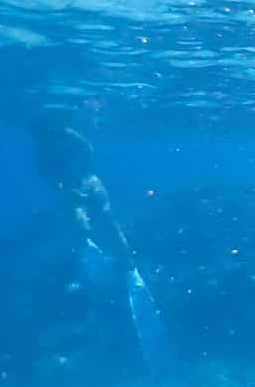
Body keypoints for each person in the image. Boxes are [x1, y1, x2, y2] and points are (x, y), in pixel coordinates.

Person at [29, 119, 174, 368]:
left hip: (88, 183)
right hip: (74, 188)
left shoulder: (64, 139)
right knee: (86, 223)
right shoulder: (45, 151)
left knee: (107, 223)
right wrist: (66, 187)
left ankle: (123, 261)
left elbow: (86, 155)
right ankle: (93, 252)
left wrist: (77, 184)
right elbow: (52, 172)